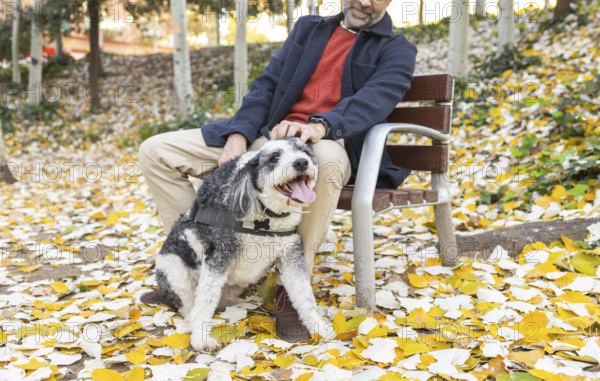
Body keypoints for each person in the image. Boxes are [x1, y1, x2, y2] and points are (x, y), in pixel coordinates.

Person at [138, 0, 416, 342]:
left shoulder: (396, 49)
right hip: (267, 137)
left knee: (324, 163)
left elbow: (378, 97)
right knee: (156, 151)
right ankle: (195, 264)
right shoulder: (309, 29)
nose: (364, 2)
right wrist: (238, 135)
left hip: (328, 141)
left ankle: (291, 294)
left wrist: (322, 125)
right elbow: (267, 85)